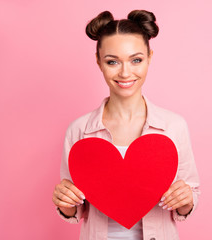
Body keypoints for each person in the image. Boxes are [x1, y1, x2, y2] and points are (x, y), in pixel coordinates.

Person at [52, 9, 200, 240]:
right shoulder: (79, 130)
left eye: (136, 60)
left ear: (150, 57)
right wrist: (65, 202)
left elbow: (188, 200)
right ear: (98, 62)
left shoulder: (173, 126)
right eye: (112, 61)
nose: (125, 72)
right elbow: (74, 209)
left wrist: (186, 199)